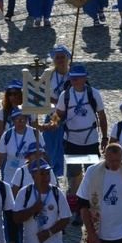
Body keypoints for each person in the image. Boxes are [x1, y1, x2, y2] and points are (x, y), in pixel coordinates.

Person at [50, 63, 108, 212]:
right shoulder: (66, 95)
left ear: (84, 78)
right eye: (72, 78)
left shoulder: (93, 94)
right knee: (74, 176)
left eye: (77, 78)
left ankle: (92, 206)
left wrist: (105, 137)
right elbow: (59, 114)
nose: (74, 81)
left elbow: (102, 116)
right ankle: (76, 207)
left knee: (92, 175)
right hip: (72, 142)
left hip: (90, 141)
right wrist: (54, 122)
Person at [10, 142, 57, 243]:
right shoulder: (22, 172)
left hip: (45, 216)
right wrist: (28, 208)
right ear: (28, 157)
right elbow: (15, 194)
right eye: (35, 154)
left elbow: (54, 191)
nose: (39, 156)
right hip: (26, 218)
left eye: (41, 154)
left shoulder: (49, 172)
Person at [42, 45, 71, 178]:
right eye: (57, 57)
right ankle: (49, 170)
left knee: (64, 145)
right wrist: (57, 102)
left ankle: (62, 173)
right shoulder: (49, 74)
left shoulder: (72, 75)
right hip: (54, 114)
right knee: (50, 143)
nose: (60, 60)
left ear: (67, 59)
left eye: (62, 57)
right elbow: (41, 92)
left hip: (69, 115)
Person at [0, 107, 42, 185]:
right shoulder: (7, 135)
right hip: (11, 176)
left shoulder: (35, 133)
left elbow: (43, 154)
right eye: (17, 120)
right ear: (13, 121)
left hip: (30, 176)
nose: (20, 122)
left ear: (27, 120)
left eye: (23, 119)